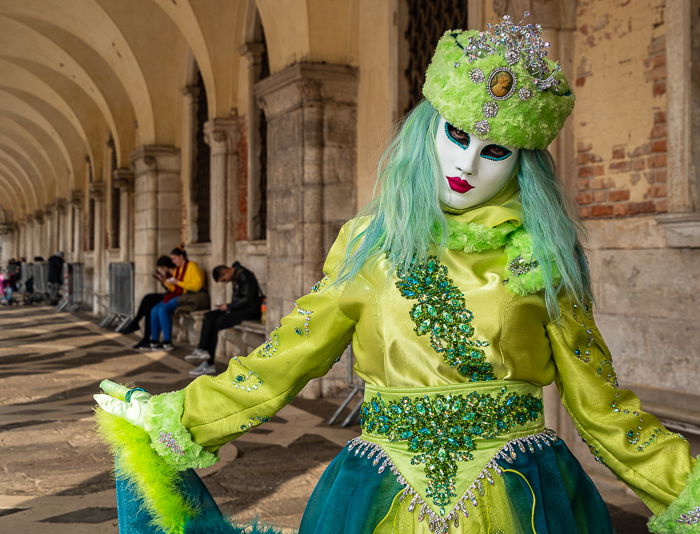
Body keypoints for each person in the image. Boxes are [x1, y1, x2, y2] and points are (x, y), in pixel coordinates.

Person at [94, 15, 698, 534]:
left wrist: (685, 490)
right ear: (425, 132)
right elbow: (286, 357)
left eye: (494, 151)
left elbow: (601, 406)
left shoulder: (546, 255)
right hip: (379, 490)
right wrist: (178, 417)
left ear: (522, 163)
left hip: (525, 497)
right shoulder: (369, 243)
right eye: (456, 135)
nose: (466, 164)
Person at [186, 262, 263, 377]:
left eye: (223, 279)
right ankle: (202, 350)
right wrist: (228, 306)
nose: (225, 282)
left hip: (249, 311)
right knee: (209, 316)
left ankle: (208, 362)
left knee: (217, 323)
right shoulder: (237, 275)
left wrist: (229, 306)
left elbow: (247, 299)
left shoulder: (244, 275)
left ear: (226, 272)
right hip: (238, 308)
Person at [147, 247, 204, 351]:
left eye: (174, 259)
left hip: (191, 296)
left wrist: (178, 282)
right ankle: (154, 340)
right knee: (154, 309)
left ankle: (167, 341)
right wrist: (164, 281)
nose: (173, 262)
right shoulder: (177, 269)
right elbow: (174, 289)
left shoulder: (192, 266)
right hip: (179, 295)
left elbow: (197, 286)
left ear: (181, 257)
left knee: (163, 309)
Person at [120, 256, 177, 349]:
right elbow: (168, 288)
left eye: (163, 267)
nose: (162, 270)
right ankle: (146, 336)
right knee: (148, 307)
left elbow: (175, 289)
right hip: (169, 294)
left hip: (173, 296)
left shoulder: (174, 272)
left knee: (148, 299)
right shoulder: (168, 273)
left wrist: (164, 281)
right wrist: (162, 281)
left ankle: (136, 323)